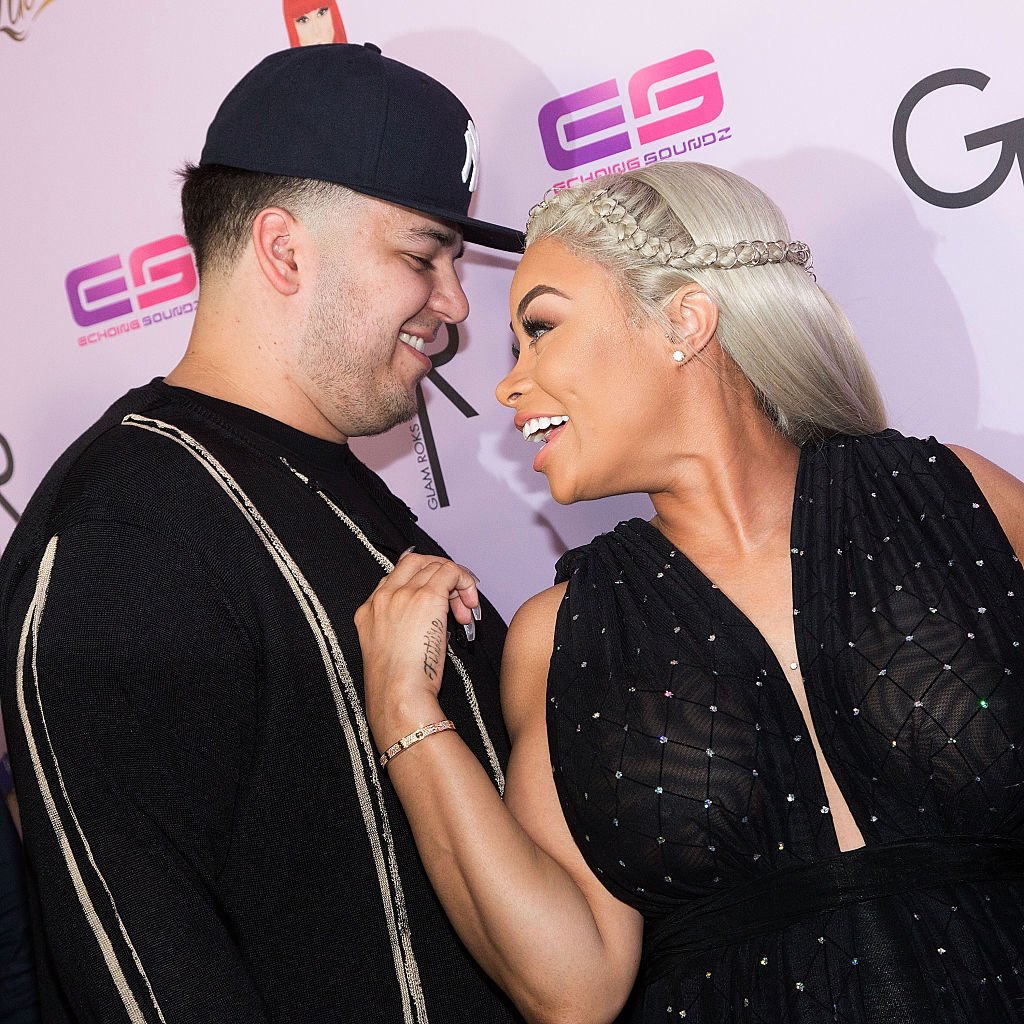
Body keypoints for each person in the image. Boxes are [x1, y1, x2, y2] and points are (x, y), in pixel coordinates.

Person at [354, 161, 1024, 1023]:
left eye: (541, 329)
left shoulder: (955, 500)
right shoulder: (564, 637)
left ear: (686, 319)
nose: (507, 385)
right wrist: (403, 708)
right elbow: (573, 989)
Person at [0, 42, 524, 1023]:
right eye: (423, 256)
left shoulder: (333, 488)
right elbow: (144, 979)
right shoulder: (125, 538)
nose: (454, 306)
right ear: (283, 250)